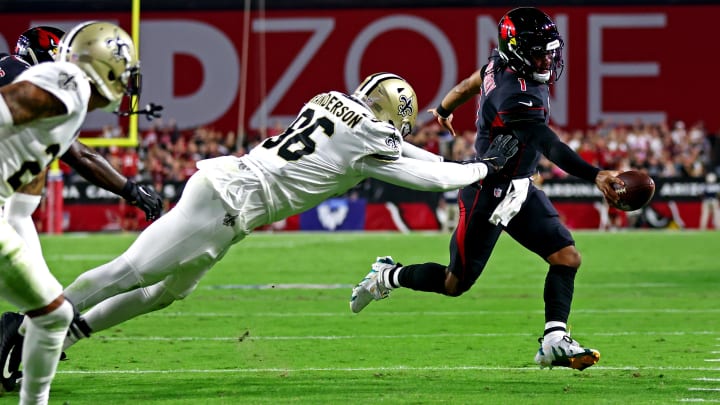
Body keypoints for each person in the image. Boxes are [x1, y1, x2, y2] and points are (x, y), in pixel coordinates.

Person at [0, 71, 518, 388]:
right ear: (391, 113)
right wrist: (483, 169)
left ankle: (70, 328)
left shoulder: (329, 101)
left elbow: (400, 151)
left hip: (229, 195)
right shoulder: (371, 136)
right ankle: (26, 330)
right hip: (229, 202)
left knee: (167, 293)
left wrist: (468, 165)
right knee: (129, 272)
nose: (397, 135)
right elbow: (424, 173)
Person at [350, 8, 622, 371]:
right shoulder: (516, 93)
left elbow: (469, 83)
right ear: (516, 49)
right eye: (538, 51)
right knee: (453, 283)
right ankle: (387, 275)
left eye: (549, 50)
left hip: (519, 187)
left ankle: (554, 339)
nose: (547, 58)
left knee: (567, 257)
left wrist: (445, 108)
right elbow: (548, 144)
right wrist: (596, 175)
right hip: (487, 189)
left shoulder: (499, 65)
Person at [0, 21, 155, 404]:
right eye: (122, 70)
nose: (126, 81)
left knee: (52, 315)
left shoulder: (64, 99)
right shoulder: (67, 84)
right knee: (51, 315)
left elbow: (31, 177)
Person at [0, 26, 163, 259]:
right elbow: (79, 155)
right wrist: (131, 190)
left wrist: (131, 190)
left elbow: (20, 214)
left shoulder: (45, 104)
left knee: (22, 213)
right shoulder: (27, 76)